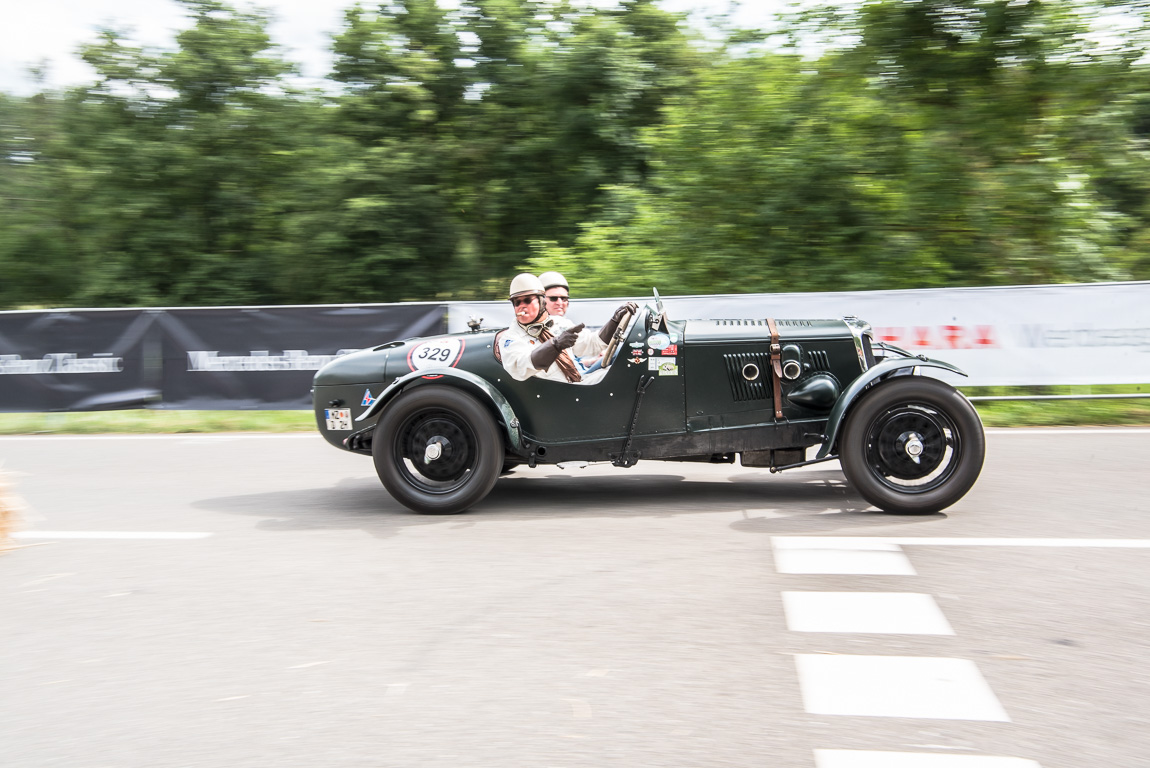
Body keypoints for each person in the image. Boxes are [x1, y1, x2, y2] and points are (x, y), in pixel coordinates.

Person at [500, 273, 635, 385]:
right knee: (623, 377)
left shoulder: (558, 323)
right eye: (517, 302)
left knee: (630, 369)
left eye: (527, 300)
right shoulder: (511, 338)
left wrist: (615, 320)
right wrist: (556, 345)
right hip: (556, 395)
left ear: (542, 302)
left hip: (577, 383)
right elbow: (520, 367)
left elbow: (594, 344)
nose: (521, 306)